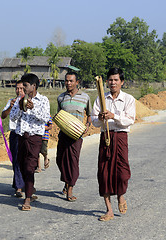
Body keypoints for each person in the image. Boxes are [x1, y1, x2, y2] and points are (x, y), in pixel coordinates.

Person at [91, 67, 135, 221]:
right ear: (107, 82)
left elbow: (130, 119)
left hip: (121, 137)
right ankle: (108, 209)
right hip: (106, 137)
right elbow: (94, 121)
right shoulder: (101, 99)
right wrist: (101, 118)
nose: (113, 82)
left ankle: (121, 196)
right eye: (110, 80)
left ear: (122, 82)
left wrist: (113, 116)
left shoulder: (128, 99)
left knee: (122, 173)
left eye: (116, 80)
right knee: (104, 173)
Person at [10, 73, 50, 210]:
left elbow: (45, 118)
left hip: (35, 137)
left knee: (30, 166)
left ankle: (27, 198)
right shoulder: (19, 100)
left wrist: (33, 109)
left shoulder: (43, 100)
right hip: (21, 136)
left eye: (26, 86)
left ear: (34, 86)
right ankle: (30, 189)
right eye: (22, 86)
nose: (24, 88)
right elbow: (12, 117)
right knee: (21, 164)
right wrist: (21, 108)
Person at [56, 72, 92, 202]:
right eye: (66, 81)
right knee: (60, 160)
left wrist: (87, 125)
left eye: (71, 81)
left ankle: (70, 189)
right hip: (63, 134)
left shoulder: (85, 97)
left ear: (77, 82)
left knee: (73, 162)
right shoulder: (61, 98)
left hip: (76, 135)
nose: (68, 83)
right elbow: (59, 115)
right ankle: (66, 181)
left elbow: (89, 114)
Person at [1, 80, 25, 197]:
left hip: (26, 134)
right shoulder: (11, 101)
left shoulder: (29, 101)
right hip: (15, 133)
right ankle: (19, 186)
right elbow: (3, 115)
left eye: (21, 88)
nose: (19, 91)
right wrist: (10, 107)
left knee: (26, 160)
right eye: (17, 88)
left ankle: (25, 183)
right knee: (16, 159)